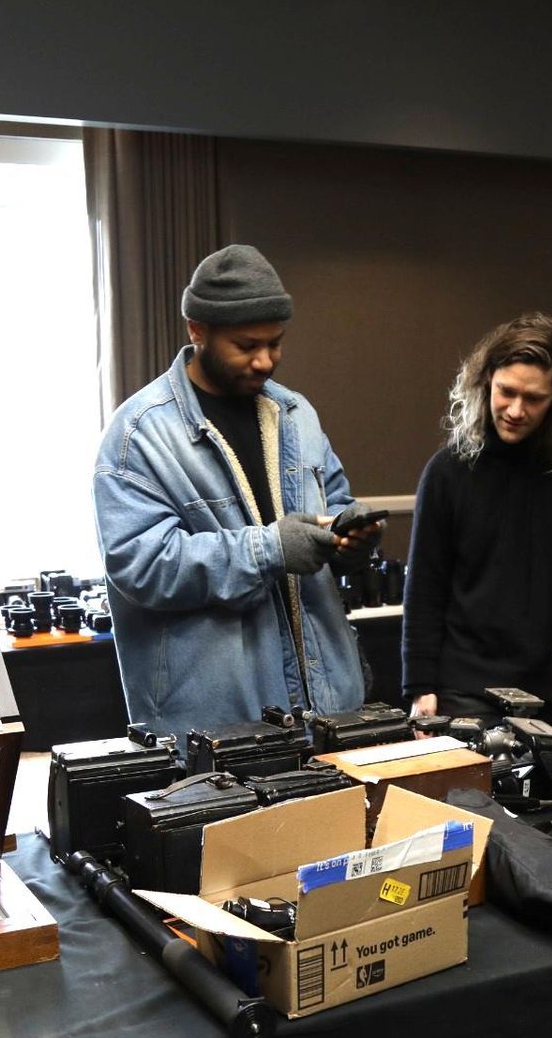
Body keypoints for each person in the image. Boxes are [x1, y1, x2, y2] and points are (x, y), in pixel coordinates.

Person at [93, 245, 381, 745]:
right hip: (216, 728)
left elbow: (332, 502)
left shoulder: (296, 414)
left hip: (325, 711)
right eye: (246, 345)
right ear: (196, 329)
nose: (265, 360)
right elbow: (140, 565)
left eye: (276, 343)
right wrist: (270, 548)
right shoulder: (138, 434)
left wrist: (347, 537)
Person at [402, 313, 552, 719]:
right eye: (506, 392)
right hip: (467, 690)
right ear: (486, 381)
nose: (516, 410)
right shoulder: (447, 471)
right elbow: (425, 589)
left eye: (533, 398)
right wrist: (420, 688)